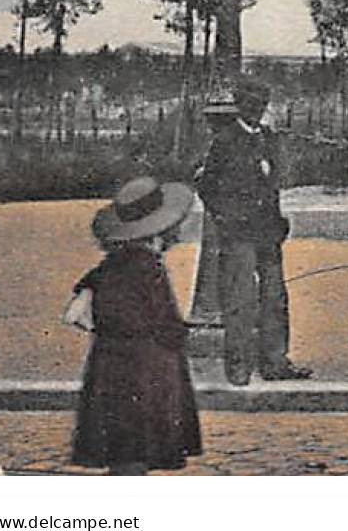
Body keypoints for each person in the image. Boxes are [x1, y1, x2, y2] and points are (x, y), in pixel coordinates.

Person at [70, 177, 203, 474]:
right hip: (147, 368)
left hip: (109, 365)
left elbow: (94, 297)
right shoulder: (150, 268)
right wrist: (183, 332)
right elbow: (164, 320)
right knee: (142, 440)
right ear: (163, 230)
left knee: (121, 442)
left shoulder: (111, 264)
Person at [196, 77, 311, 386]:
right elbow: (206, 186)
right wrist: (225, 218)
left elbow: (272, 182)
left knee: (275, 298)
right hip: (238, 234)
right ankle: (238, 367)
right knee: (240, 300)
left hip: (268, 232)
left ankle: (275, 362)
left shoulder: (269, 138)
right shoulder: (225, 140)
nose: (256, 111)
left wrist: (277, 220)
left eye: (261, 105)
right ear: (239, 105)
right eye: (250, 104)